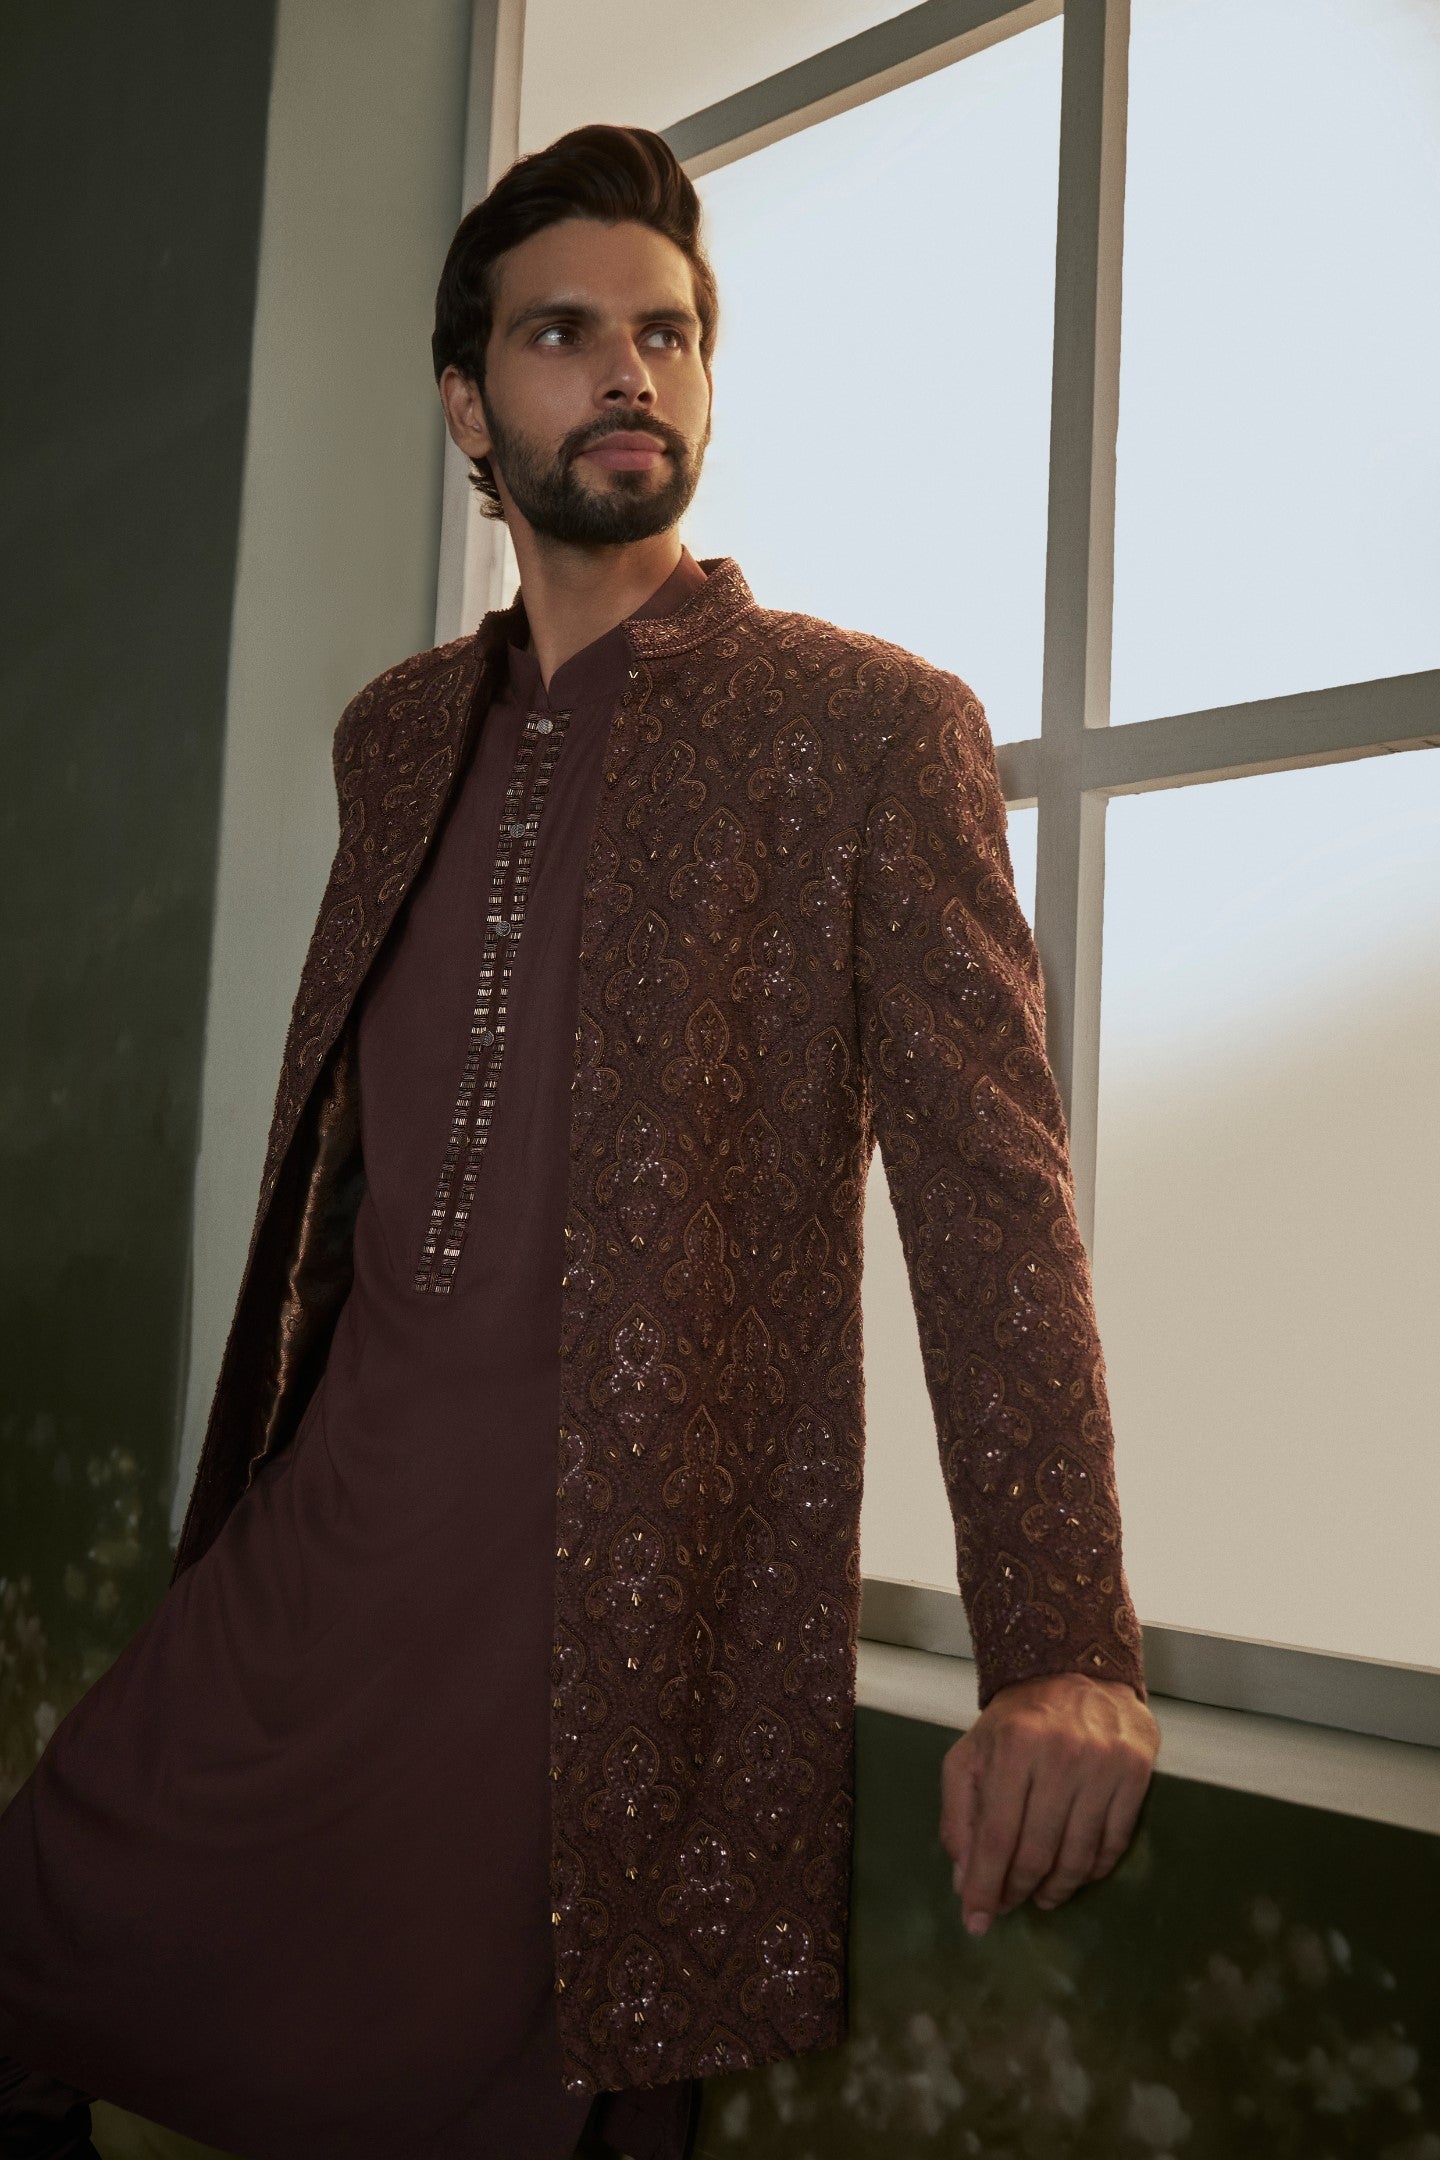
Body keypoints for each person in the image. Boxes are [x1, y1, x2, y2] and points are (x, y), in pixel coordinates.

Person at [0, 123, 1160, 2160]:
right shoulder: (395, 735)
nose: (631, 369)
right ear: (470, 404)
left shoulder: (867, 729)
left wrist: (1060, 1642)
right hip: (313, 1554)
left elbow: (996, 1202)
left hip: (606, 1597)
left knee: (537, 2096)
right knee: (39, 1938)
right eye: (564, 334)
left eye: (668, 333)